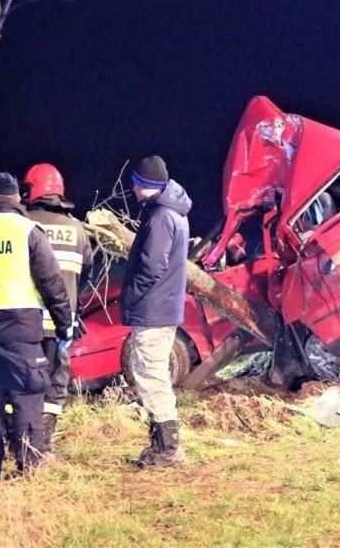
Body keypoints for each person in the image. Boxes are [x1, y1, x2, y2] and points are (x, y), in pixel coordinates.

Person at [0, 172, 73, 483]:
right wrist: (64, 323)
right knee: (27, 393)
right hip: (21, 326)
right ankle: (30, 468)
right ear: (16, 199)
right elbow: (52, 282)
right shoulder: (28, 231)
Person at [121, 155, 192, 467]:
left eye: (136, 182)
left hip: (153, 308)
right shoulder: (173, 213)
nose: (133, 188)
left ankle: (167, 450)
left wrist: (133, 297)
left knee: (151, 376)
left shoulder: (161, 217)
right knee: (153, 373)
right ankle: (163, 446)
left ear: (144, 184)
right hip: (164, 307)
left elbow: (151, 267)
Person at [21, 162, 93, 452]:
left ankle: (19, 442)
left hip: (26, 323)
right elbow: (85, 273)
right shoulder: (77, 229)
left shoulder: (23, 224)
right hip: (62, 326)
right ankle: (42, 446)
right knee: (55, 388)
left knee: (23, 385)